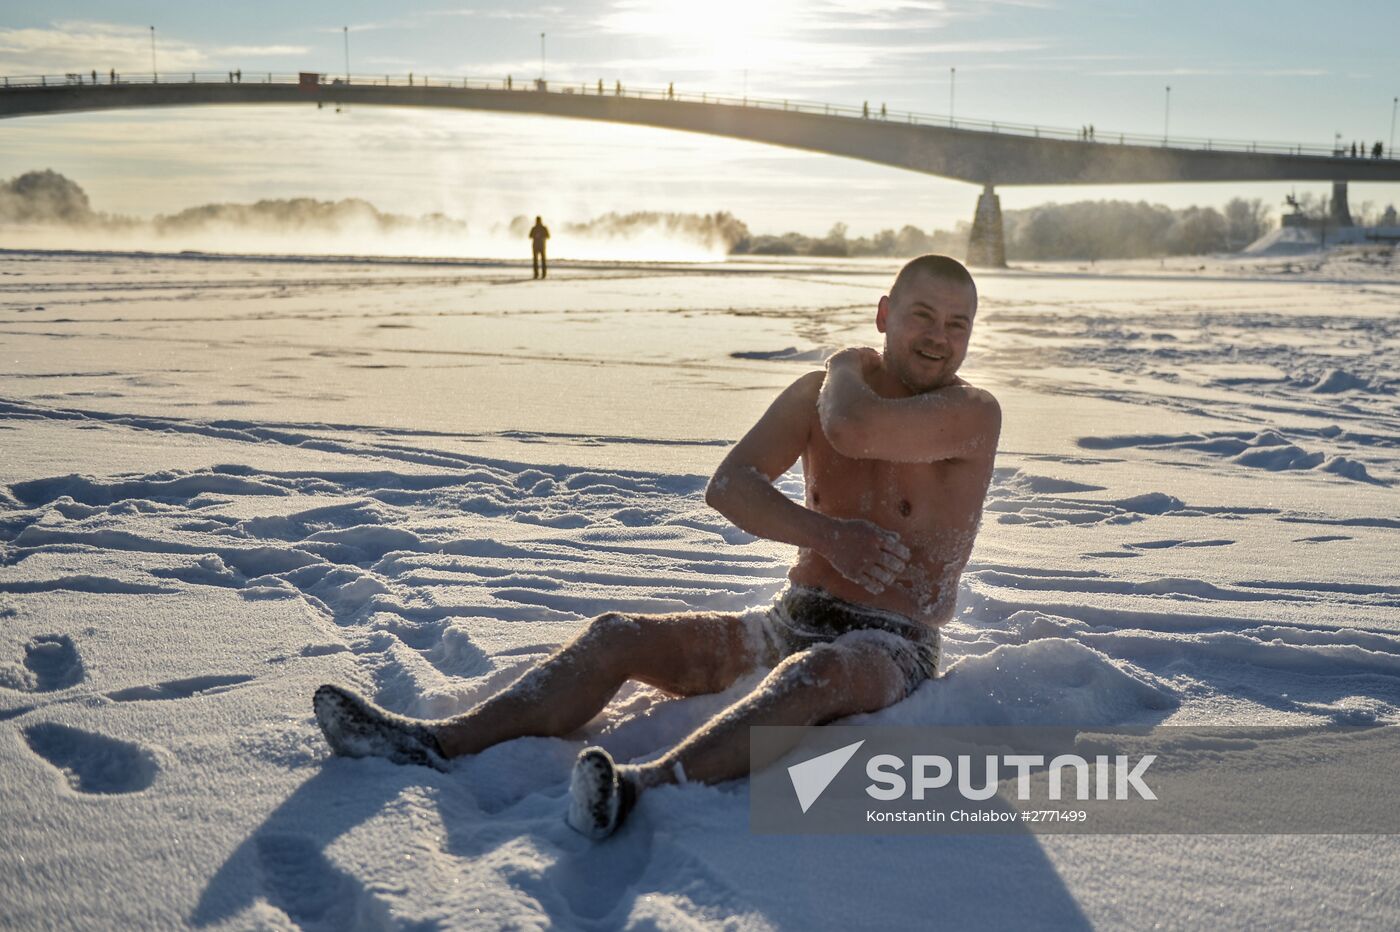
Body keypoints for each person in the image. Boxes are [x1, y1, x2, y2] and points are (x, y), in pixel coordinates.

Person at [312, 255, 1002, 840]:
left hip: (891, 646)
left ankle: (640, 788)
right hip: (792, 617)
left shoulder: (970, 413)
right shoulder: (820, 395)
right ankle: (436, 742)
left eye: (958, 324)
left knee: (813, 675)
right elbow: (729, 486)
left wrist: (841, 363)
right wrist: (825, 536)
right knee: (617, 636)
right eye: (922, 315)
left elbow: (854, 426)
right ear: (885, 312)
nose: (940, 338)